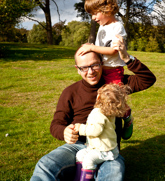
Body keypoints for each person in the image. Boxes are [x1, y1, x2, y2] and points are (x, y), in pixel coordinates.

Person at [30, 35, 156, 181]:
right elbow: (56, 124)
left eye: (94, 65)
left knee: (113, 175)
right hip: (77, 147)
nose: (90, 72)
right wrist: (64, 132)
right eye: (84, 67)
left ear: (102, 64)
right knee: (45, 165)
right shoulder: (70, 92)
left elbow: (148, 79)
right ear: (77, 69)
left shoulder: (115, 86)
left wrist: (127, 58)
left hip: (108, 150)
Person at [77, 0, 133, 140]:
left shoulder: (117, 27)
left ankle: (127, 118)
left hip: (114, 71)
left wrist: (92, 47)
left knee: (115, 101)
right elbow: (100, 49)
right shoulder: (102, 26)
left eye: (95, 13)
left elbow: (114, 50)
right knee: (99, 100)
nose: (93, 17)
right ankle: (101, 129)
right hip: (101, 69)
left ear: (107, 9)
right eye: (91, 14)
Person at [74, 83, 131, 181]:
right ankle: (80, 176)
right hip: (98, 147)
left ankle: (86, 178)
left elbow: (95, 131)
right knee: (80, 154)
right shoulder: (110, 111)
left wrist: (80, 128)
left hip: (105, 151)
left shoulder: (98, 113)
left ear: (98, 97)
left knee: (88, 160)